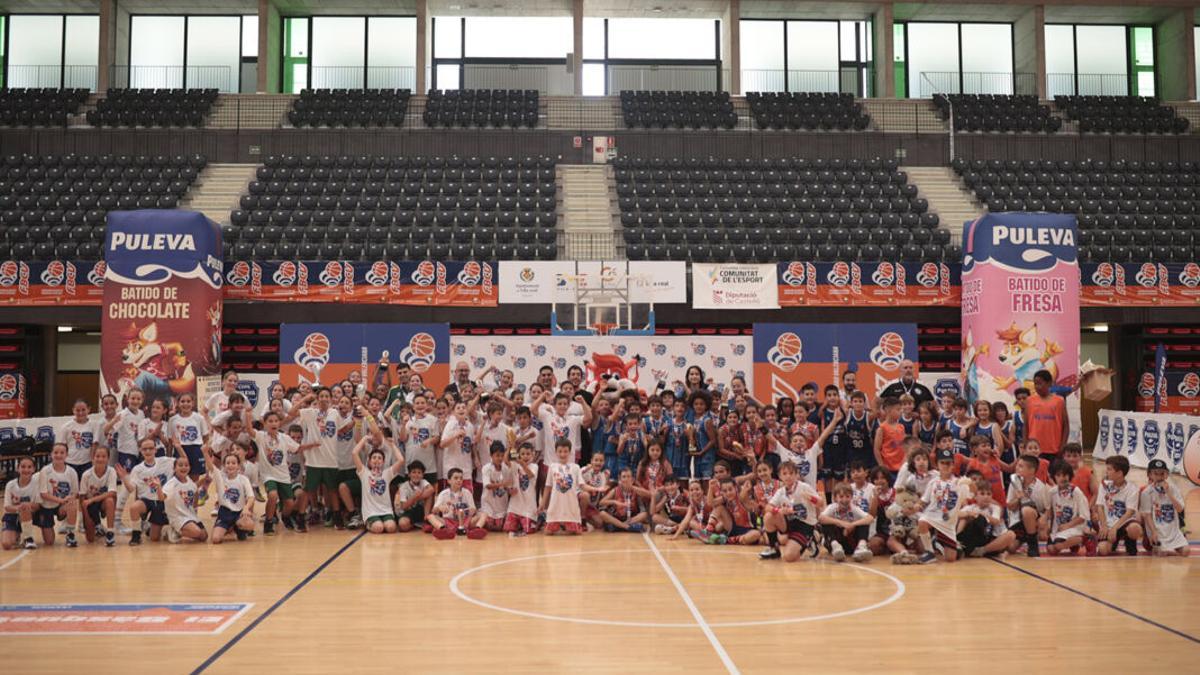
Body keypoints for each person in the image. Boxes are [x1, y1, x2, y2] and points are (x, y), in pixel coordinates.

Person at [286, 388, 355, 529]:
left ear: (330, 399)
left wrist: (354, 422)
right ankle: (300, 519)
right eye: (321, 396)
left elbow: (341, 429)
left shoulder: (334, 413)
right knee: (308, 490)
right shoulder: (310, 413)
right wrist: (305, 399)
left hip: (330, 460)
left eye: (326, 396)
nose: (324, 398)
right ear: (317, 399)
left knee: (333, 490)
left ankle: (336, 518)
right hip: (314, 461)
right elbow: (291, 413)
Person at [915, 448, 973, 564]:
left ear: (953, 465)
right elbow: (924, 500)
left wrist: (969, 483)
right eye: (942, 463)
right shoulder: (933, 482)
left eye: (948, 463)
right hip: (932, 516)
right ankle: (930, 552)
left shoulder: (958, 482)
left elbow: (970, 497)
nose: (945, 466)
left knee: (950, 559)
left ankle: (940, 542)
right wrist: (917, 505)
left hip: (948, 523)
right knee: (922, 521)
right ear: (937, 465)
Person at [759, 461, 823, 562]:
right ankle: (774, 549)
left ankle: (811, 539)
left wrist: (811, 498)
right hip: (789, 523)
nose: (788, 476)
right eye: (784, 474)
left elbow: (821, 503)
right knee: (769, 516)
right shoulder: (781, 491)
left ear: (796, 474)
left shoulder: (804, 487)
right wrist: (779, 510)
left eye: (791, 473)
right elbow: (768, 507)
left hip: (805, 525)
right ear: (780, 476)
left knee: (789, 557)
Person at [256, 411, 300, 535]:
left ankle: (285, 517)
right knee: (273, 495)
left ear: (279, 423)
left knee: (290, 504)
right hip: (268, 475)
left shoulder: (284, 438)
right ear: (264, 423)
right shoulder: (261, 436)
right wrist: (248, 415)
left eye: (276, 421)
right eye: (270, 421)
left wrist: (313, 445)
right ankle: (268, 522)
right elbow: (249, 430)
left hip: (284, 475)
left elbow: (298, 448)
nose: (273, 423)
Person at [127, 438, 175, 546]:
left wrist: (179, 447)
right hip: (146, 500)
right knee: (134, 507)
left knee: (154, 538)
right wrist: (124, 479)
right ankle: (136, 535)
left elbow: (183, 461)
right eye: (145, 449)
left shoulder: (166, 461)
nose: (148, 451)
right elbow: (131, 489)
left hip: (161, 500)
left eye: (150, 448)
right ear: (141, 451)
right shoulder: (137, 469)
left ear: (155, 450)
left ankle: (152, 527)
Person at [205, 446, 257, 544]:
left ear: (238, 465)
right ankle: (228, 527)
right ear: (224, 466)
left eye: (233, 463)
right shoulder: (220, 477)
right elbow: (211, 466)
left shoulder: (243, 479)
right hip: (224, 513)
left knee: (250, 525)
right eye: (227, 463)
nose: (230, 465)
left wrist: (246, 508)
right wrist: (205, 453)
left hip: (239, 513)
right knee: (216, 539)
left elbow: (251, 497)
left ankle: (238, 528)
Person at [1093, 455, 1143, 557]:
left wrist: (1115, 528)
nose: (1106, 472)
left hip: (1124, 522)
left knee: (1135, 528)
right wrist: (1104, 526)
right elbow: (1100, 507)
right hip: (1109, 523)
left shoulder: (1132, 488)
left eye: (1109, 469)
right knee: (1103, 550)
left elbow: (1130, 512)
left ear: (1119, 473)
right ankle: (1113, 543)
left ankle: (1130, 542)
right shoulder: (1104, 485)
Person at [1139, 459, 1189, 557]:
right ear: (1149, 475)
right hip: (1157, 531)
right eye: (1155, 474)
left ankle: (1168, 548)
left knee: (1186, 552)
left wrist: (1169, 493)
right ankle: (1157, 546)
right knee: (1162, 553)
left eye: (1162, 473)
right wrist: (1153, 532)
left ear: (1166, 475)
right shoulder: (1146, 493)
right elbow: (1147, 516)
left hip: (1173, 531)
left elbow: (1179, 509)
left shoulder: (1174, 489)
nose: (1159, 477)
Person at [34, 443, 80, 547]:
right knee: (49, 542)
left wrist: (70, 498)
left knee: (72, 503)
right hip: (46, 506)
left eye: (62, 453)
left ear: (66, 454)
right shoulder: (45, 471)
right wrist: (61, 500)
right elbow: (43, 494)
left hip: (61, 506)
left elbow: (75, 493)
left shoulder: (72, 472)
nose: (58, 455)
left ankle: (70, 535)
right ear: (51, 454)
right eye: (56, 452)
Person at [957, 477, 1016, 558]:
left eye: (989, 494)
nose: (986, 497)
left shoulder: (994, 508)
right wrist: (969, 514)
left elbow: (996, 521)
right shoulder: (971, 507)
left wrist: (982, 514)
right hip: (974, 538)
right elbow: (957, 514)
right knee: (964, 518)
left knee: (1011, 535)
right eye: (982, 493)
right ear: (975, 496)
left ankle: (982, 551)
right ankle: (958, 542)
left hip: (989, 539)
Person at [353, 446, 406, 535]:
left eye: (379, 458)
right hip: (371, 512)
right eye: (374, 458)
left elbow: (401, 460)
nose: (377, 460)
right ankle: (367, 523)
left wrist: (392, 444)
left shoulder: (387, 473)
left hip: (386, 511)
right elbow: (354, 453)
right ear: (369, 461)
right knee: (379, 528)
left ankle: (381, 522)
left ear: (383, 462)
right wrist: (365, 438)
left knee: (391, 528)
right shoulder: (364, 473)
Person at [1006, 454, 1050, 557]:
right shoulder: (1014, 483)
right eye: (1017, 465)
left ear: (1031, 470)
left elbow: (1048, 508)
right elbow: (1009, 506)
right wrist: (1018, 498)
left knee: (1027, 511)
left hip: (1034, 519)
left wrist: (1043, 521)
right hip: (1018, 521)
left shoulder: (1040, 487)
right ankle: (1027, 536)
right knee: (1010, 548)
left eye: (1021, 466)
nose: (1017, 468)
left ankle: (1032, 544)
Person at [818, 483, 873, 562]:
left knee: (863, 522)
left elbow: (870, 518)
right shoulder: (832, 507)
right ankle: (836, 546)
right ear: (835, 498)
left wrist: (852, 524)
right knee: (827, 522)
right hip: (834, 541)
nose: (844, 500)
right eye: (841, 496)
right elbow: (821, 518)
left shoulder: (854, 508)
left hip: (849, 541)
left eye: (847, 496)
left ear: (851, 497)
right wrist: (841, 523)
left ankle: (861, 547)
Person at [541, 439, 584, 535]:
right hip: (555, 506)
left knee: (577, 533)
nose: (563, 454)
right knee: (547, 532)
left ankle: (566, 524)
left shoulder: (576, 467)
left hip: (571, 507)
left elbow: (582, 485)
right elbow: (547, 487)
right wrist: (543, 503)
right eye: (560, 451)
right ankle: (559, 523)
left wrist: (596, 489)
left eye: (565, 451)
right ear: (556, 452)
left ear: (570, 452)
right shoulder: (552, 467)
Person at [160, 455, 207, 544]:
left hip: (189, 515)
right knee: (196, 532)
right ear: (174, 468)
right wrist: (158, 487)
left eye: (186, 465)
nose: (184, 467)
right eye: (180, 465)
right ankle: (173, 531)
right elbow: (162, 497)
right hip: (178, 517)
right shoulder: (172, 483)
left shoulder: (189, 480)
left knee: (204, 536)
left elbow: (194, 491)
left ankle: (182, 532)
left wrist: (204, 481)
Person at [1046, 461, 1089, 556]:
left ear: (1070, 476)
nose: (1062, 478)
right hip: (1059, 528)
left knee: (1058, 545)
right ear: (1054, 477)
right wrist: (1049, 528)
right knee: (1051, 550)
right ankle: (1073, 544)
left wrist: (1068, 525)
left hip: (1075, 526)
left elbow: (1083, 516)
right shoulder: (1052, 492)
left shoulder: (1076, 492)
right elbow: (1052, 514)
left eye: (1065, 475)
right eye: (1058, 475)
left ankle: (1086, 538)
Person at [79, 446, 118, 546]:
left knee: (110, 500)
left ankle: (110, 533)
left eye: (104, 456)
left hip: (102, 502)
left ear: (108, 459)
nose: (100, 459)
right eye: (98, 456)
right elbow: (82, 499)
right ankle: (97, 525)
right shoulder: (86, 475)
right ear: (93, 458)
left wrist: (92, 500)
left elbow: (112, 493)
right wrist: (85, 517)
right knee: (90, 539)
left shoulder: (111, 471)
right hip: (89, 505)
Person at [168, 392, 210, 485]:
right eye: (182, 401)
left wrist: (204, 451)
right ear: (178, 403)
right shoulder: (172, 420)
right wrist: (169, 456)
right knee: (180, 479)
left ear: (193, 403)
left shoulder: (199, 418)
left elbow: (206, 437)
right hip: (180, 449)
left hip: (196, 450)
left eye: (188, 401)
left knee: (194, 480)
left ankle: (193, 498)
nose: (185, 404)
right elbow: (170, 441)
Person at [430, 468, 483, 540]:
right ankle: (443, 530)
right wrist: (439, 508)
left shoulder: (467, 492)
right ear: (449, 481)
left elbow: (473, 509)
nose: (459, 480)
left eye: (461, 478)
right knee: (430, 516)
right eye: (456, 478)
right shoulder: (443, 494)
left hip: (465, 521)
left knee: (483, 514)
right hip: (448, 521)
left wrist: (468, 511)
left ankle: (477, 530)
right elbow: (433, 510)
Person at [1026, 370, 1068, 458]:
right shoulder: (1030, 400)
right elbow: (1026, 425)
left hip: (1054, 449)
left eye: (1040, 383)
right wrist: (1025, 444)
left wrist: (1063, 445)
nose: (1037, 387)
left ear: (1049, 383)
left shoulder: (1059, 401)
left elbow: (1066, 426)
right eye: (1035, 384)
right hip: (1034, 449)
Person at [3, 456, 41, 550]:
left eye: (29, 467)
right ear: (17, 468)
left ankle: (28, 538)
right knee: (6, 545)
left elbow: (37, 506)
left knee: (25, 506)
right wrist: (19, 507)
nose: (26, 470)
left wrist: (25, 506)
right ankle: (18, 533)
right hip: (13, 516)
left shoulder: (36, 483)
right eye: (23, 467)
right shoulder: (10, 485)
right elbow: (7, 507)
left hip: (30, 515)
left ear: (33, 469)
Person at [475, 442, 512, 532]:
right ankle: (477, 522)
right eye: (497, 455)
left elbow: (508, 486)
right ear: (491, 455)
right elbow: (488, 486)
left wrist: (510, 490)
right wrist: (502, 484)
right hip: (489, 504)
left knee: (499, 527)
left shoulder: (506, 468)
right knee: (489, 524)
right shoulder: (486, 468)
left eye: (502, 456)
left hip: (501, 505)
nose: (500, 458)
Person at [58, 398, 100, 478]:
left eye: (83, 410)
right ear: (73, 410)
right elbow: (62, 446)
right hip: (70, 462)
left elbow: (94, 444)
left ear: (88, 409)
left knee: (85, 488)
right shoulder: (66, 427)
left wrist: (93, 462)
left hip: (87, 463)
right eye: (77, 410)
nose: (80, 413)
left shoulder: (95, 425)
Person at [504, 443, 540, 536]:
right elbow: (506, 460)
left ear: (533, 455)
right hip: (515, 507)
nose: (525, 456)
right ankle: (519, 524)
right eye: (523, 454)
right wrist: (510, 447)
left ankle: (540, 519)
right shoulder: (516, 465)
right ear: (519, 455)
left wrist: (521, 463)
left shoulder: (534, 466)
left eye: (528, 454)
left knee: (528, 531)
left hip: (528, 507)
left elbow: (530, 475)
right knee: (508, 529)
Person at [599, 467, 647, 533]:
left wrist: (633, 487)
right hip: (617, 518)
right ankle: (626, 527)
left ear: (632, 479)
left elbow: (643, 510)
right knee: (602, 514)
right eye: (624, 477)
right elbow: (601, 502)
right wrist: (615, 502)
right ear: (620, 479)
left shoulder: (636, 491)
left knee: (644, 514)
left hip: (631, 519)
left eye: (628, 477)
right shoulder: (615, 490)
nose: (626, 479)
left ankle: (619, 526)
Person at [884, 487, 922, 564]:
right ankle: (904, 553)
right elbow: (889, 514)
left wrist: (915, 511)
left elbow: (923, 519)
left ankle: (915, 554)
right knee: (891, 541)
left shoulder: (916, 508)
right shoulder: (896, 505)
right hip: (898, 531)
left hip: (912, 532)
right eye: (905, 500)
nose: (908, 502)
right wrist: (901, 512)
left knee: (921, 544)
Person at [394, 461, 435, 532]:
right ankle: (415, 524)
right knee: (403, 524)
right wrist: (414, 497)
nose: (416, 475)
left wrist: (418, 497)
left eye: (419, 473)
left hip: (421, 509)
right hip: (408, 511)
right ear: (409, 474)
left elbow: (431, 490)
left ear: (422, 475)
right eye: (413, 472)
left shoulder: (423, 482)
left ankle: (426, 518)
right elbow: (404, 506)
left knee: (429, 494)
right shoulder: (403, 487)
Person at [873, 397, 907, 471]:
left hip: (901, 466)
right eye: (898, 409)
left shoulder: (901, 427)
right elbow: (876, 449)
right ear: (888, 411)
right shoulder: (882, 428)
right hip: (888, 467)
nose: (901, 411)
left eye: (901, 409)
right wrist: (881, 465)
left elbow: (904, 446)